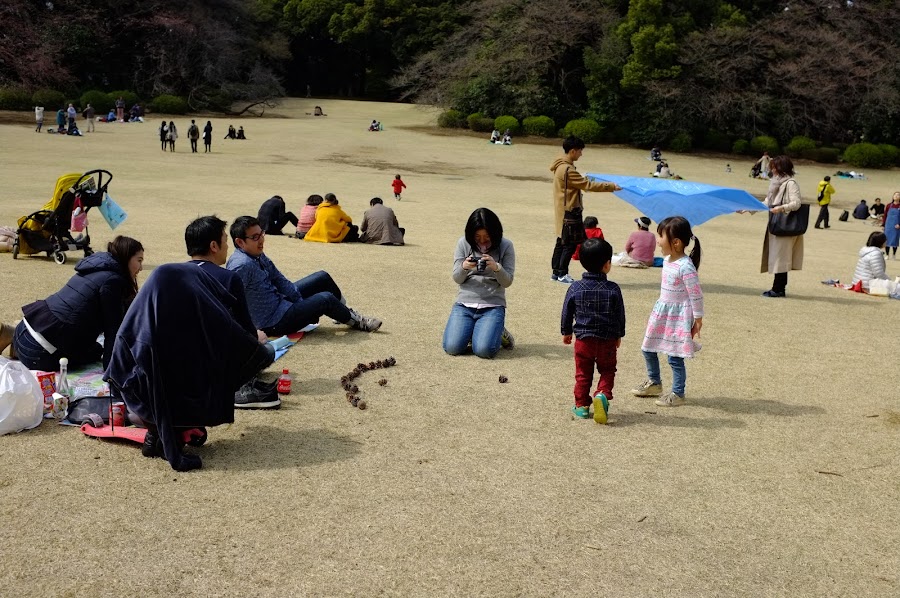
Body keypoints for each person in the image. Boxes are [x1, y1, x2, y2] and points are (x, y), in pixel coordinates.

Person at [104, 262, 266, 471]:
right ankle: (171, 434)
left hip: (134, 407)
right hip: (151, 406)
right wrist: (174, 452)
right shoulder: (151, 339)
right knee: (195, 370)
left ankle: (161, 433)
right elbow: (159, 392)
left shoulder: (144, 315)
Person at [0, 237, 144, 371]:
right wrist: (111, 372)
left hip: (23, 331)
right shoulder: (114, 281)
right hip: (37, 354)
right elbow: (113, 331)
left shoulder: (96, 266)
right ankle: (18, 346)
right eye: (139, 260)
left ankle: (12, 337)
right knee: (95, 351)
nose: (141, 267)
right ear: (126, 257)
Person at [226, 216, 382, 336]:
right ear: (240, 242)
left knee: (322, 277)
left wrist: (300, 303)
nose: (261, 240)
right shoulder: (241, 266)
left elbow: (279, 279)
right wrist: (249, 332)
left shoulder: (256, 253)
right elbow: (232, 302)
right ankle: (360, 323)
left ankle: (343, 312)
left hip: (282, 302)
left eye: (261, 234)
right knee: (325, 298)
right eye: (255, 237)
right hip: (273, 321)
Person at [185, 215, 279, 409]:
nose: (227, 247)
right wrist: (258, 337)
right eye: (225, 241)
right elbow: (245, 331)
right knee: (266, 350)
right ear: (213, 246)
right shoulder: (228, 278)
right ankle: (242, 390)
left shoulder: (171, 274)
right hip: (211, 362)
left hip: (177, 360)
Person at [632, 216, 703, 407]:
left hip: (679, 317)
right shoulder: (666, 260)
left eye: (661, 236)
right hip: (662, 312)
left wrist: (698, 319)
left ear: (676, 243)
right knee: (647, 347)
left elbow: (696, 295)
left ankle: (678, 393)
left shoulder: (686, 266)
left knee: (674, 356)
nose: (658, 240)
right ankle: (654, 382)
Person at [561, 238, 624, 423]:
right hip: (607, 339)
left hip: (583, 340)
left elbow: (567, 311)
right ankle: (602, 394)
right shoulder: (613, 288)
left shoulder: (575, 287)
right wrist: (619, 333)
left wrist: (566, 332)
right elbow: (619, 314)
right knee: (607, 370)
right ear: (607, 265)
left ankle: (581, 406)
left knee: (583, 373)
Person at [442, 208, 516, 358]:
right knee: (452, 348)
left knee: (484, 351)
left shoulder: (506, 246)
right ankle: (475, 332)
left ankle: (498, 331)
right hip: (464, 305)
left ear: (495, 234)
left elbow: (507, 281)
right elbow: (457, 278)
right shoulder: (463, 243)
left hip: (492, 306)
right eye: (477, 237)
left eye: (487, 237)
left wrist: (496, 267)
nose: (482, 241)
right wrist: (464, 267)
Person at [550, 136, 621, 284]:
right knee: (569, 244)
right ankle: (562, 273)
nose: (581, 154)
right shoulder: (567, 169)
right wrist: (611, 186)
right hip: (570, 211)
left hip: (563, 210)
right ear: (573, 151)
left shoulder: (560, 165)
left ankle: (556, 272)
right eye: (580, 151)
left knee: (561, 242)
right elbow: (587, 185)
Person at [760, 155, 804, 298]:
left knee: (781, 258)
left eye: (774, 167)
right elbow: (767, 202)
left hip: (786, 226)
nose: (772, 169)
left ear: (781, 168)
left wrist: (780, 208)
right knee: (778, 257)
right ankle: (777, 288)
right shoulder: (775, 183)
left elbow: (796, 203)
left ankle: (779, 289)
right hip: (776, 224)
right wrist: (747, 208)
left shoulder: (791, 183)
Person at [883, 191, 900, 259]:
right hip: (888, 225)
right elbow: (885, 215)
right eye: (895, 195)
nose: (896, 196)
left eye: (898, 195)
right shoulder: (888, 205)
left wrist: (899, 224)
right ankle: (887, 254)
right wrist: (883, 224)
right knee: (887, 240)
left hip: (896, 226)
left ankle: (894, 254)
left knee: (894, 240)